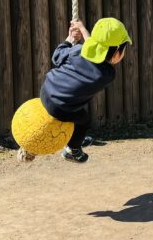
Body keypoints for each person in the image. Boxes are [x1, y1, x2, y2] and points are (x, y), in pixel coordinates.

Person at [40, 17, 131, 163]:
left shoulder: (77, 51)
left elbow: (57, 57)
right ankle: (73, 150)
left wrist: (70, 39)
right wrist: (83, 31)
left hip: (46, 90)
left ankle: (77, 138)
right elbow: (94, 52)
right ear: (116, 54)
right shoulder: (107, 75)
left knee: (78, 116)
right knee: (83, 121)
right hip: (59, 108)